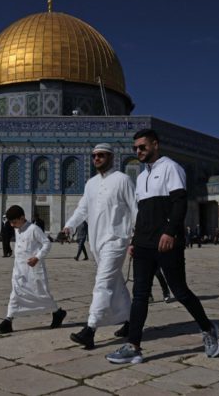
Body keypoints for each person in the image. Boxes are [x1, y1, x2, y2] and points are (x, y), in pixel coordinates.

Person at [106, 129, 219, 365]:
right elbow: (142, 213)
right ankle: (134, 346)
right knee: (140, 295)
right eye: (135, 148)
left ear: (155, 145)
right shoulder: (141, 176)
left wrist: (170, 232)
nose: (138, 151)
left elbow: (179, 203)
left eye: (142, 146)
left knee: (180, 291)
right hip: (144, 244)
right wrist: (135, 240)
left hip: (167, 242)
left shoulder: (171, 167)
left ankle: (208, 329)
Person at [62, 143, 136, 349]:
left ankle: (90, 329)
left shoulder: (123, 180)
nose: (97, 159)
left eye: (101, 155)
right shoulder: (91, 183)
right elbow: (82, 209)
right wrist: (69, 226)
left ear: (111, 157)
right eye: (94, 156)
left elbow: (135, 209)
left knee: (102, 282)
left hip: (116, 239)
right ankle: (131, 322)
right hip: (96, 243)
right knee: (117, 283)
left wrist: (136, 238)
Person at [0, 205, 67, 333]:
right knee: (15, 294)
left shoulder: (34, 229)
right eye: (11, 222)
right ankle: (8, 320)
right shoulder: (17, 229)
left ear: (22, 218)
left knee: (41, 294)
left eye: (14, 222)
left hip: (33, 270)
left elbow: (47, 243)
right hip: (19, 269)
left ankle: (57, 312)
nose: (12, 225)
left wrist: (37, 257)